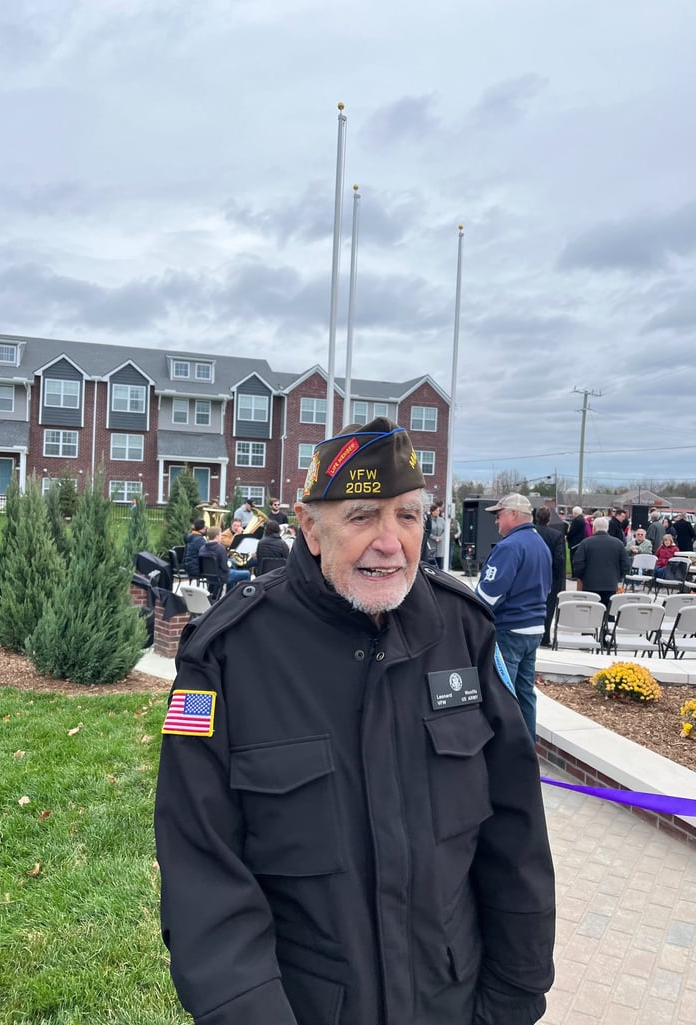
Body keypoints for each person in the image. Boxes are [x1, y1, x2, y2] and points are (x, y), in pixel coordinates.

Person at [155, 417, 556, 1025]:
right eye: (363, 516)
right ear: (310, 528)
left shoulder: (463, 632)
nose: (390, 542)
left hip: (453, 1001)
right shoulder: (226, 657)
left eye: (408, 516)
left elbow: (516, 830)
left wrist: (515, 996)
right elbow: (200, 865)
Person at [474, 493, 551, 736]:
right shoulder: (540, 544)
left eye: (499, 515)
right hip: (534, 628)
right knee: (525, 693)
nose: (496, 521)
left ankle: (506, 750)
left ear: (514, 514)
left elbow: (488, 596)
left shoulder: (509, 546)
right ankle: (527, 747)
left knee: (502, 695)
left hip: (509, 630)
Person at [572, 515, 630, 607]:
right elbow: (626, 564)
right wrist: (618, 577)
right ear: (607, 528)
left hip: (590, 585)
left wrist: (582, 577)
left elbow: (578, 563)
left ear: (594, 528)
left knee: (591, 612)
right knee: (608, 612)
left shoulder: (585, 543)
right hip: (610, 585)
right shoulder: (618, 544)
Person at [534, 506, 567, 647]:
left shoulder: (531, 533)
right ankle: (545, 637)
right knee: (548, 607)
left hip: (531, 574)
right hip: (550, 577)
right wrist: (558, 577)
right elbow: (559, 559)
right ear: (549, 519)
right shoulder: (556, 535)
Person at [201, 525, 251, 599]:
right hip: (221, 576)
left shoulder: (202, 548)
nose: (221, 537)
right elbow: (225, 568)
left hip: (209, 576)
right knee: (246, 573)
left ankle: (229, 595)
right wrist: (229, 565)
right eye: (220, 535)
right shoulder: (220, 548)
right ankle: (246, 598)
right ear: (217, 536)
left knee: (232, 568)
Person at [566, 506, 587, 571]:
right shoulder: (582, 519)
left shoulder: (576, 521)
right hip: (580, 542)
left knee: (573, 559)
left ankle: (574, 574)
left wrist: (567, 537)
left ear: (575, 513)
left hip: (575, 543)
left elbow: (572, 531)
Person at [426, 502, 445, 568]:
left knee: (440, 564)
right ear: (432, 511)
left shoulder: (442, 520)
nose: (438, 512)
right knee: (431, 564)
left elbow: (445, 531)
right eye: (436, 511)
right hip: (432, 544)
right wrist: (434, 538)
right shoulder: (428, 520)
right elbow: (427, 531)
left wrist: (440, 538)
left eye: (438, 511)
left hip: (440, 545)